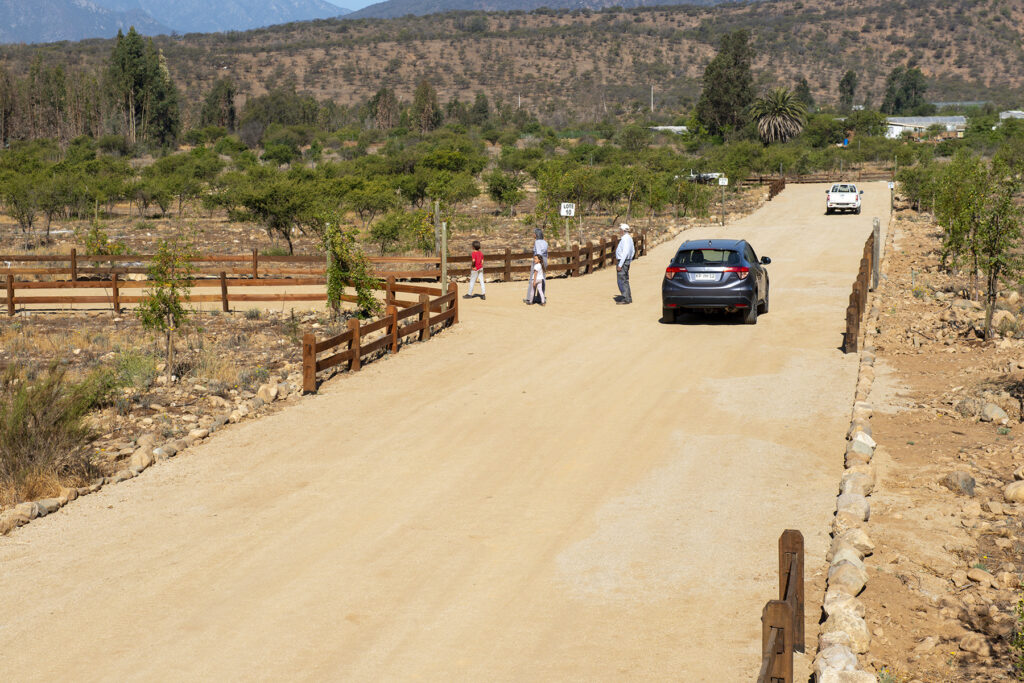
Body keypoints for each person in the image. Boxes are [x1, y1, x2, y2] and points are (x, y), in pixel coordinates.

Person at [526, 229, 549, 303]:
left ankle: (530, 298)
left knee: (533, 278)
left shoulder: (537, 242)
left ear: (536, 235)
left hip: (538, 259)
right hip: (544, 260)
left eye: (534, 233)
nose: (533, 235)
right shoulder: (545, 242)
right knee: (542, 278)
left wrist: (537, 262)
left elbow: (538, 253)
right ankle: (540, 298)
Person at [615, 223, 635, 305]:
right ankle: (628, 297)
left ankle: (625, 298)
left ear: (623, 231)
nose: (619, 231)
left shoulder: (625, 239)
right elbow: (633, 250)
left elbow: (625, 252)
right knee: (625, 280)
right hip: (626, 261)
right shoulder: (629, 238)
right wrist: (629, 260)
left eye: (620, 230)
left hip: (622, 261)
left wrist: (620, 265)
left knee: (622, 280)